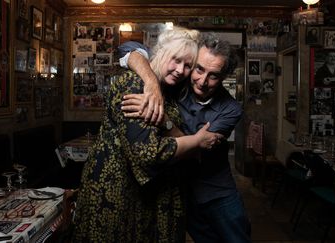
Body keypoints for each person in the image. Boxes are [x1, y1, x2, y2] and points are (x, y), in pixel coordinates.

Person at [71, 27, 222, 242]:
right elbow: (148, 153)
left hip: (144, 198)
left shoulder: (169, 92)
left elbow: (174, 135)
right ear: (159, 53)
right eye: (176, 60)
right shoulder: (134, 84)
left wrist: (171, 126)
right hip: (116, 195)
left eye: (188, 65)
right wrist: (197, 142)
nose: (180, 70)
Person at [119, 33, 251, 242]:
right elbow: (128, 48)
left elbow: (196, 149)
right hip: (181, 192)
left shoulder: (231, 109)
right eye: (199, 69)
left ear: (224, 77)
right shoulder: (177, 84)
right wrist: (151, 81)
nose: (202, 81)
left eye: (213, 75)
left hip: (219, 193)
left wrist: (162, 119)